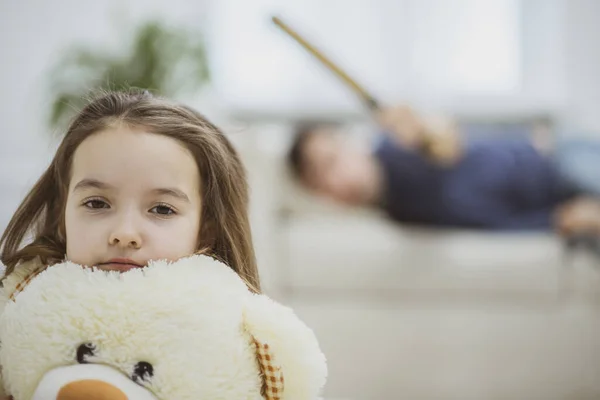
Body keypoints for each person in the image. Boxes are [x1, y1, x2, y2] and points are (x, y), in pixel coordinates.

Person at [0, 89, 260, 291]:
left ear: (206, 230)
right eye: (97, 204)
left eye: (162, 209)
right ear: (61, 216)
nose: (124, 234)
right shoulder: (18, 314)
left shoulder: (236, 332)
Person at [287, 105, 600, 235]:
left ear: (349, 144)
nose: (336, 182)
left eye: (331, 162)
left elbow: (443, 145)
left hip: (554, 157)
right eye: (321, 186)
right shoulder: (398, 214)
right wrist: (556, 219)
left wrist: (421, 131)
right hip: (557, 207)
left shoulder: (394, 146)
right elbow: (485, 221)